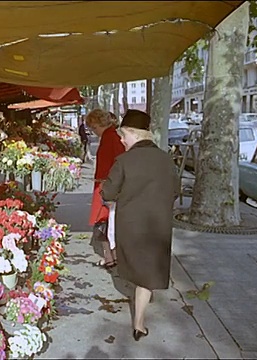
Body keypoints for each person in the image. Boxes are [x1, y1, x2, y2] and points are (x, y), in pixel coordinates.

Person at [100, 109, 179, 341]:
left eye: (123, 136)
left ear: (133, 134)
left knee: (136, 270)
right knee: (147, 275)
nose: (122, 140)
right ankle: (139, 323)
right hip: (158, 225)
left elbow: (108, 192)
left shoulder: (124, 161)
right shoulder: (166, 159)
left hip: (130, 225)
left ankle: (138, 317)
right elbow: (175, 191)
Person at [85, 109, 125, 268]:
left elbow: (117, 162)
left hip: (106, 185)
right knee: (105, 221)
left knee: (104, 221)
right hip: (106, 183)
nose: (93, 131)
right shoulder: (111, 135)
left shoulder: (110, 137)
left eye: (93, 127)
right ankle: (110, 257)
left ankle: (111, 257)